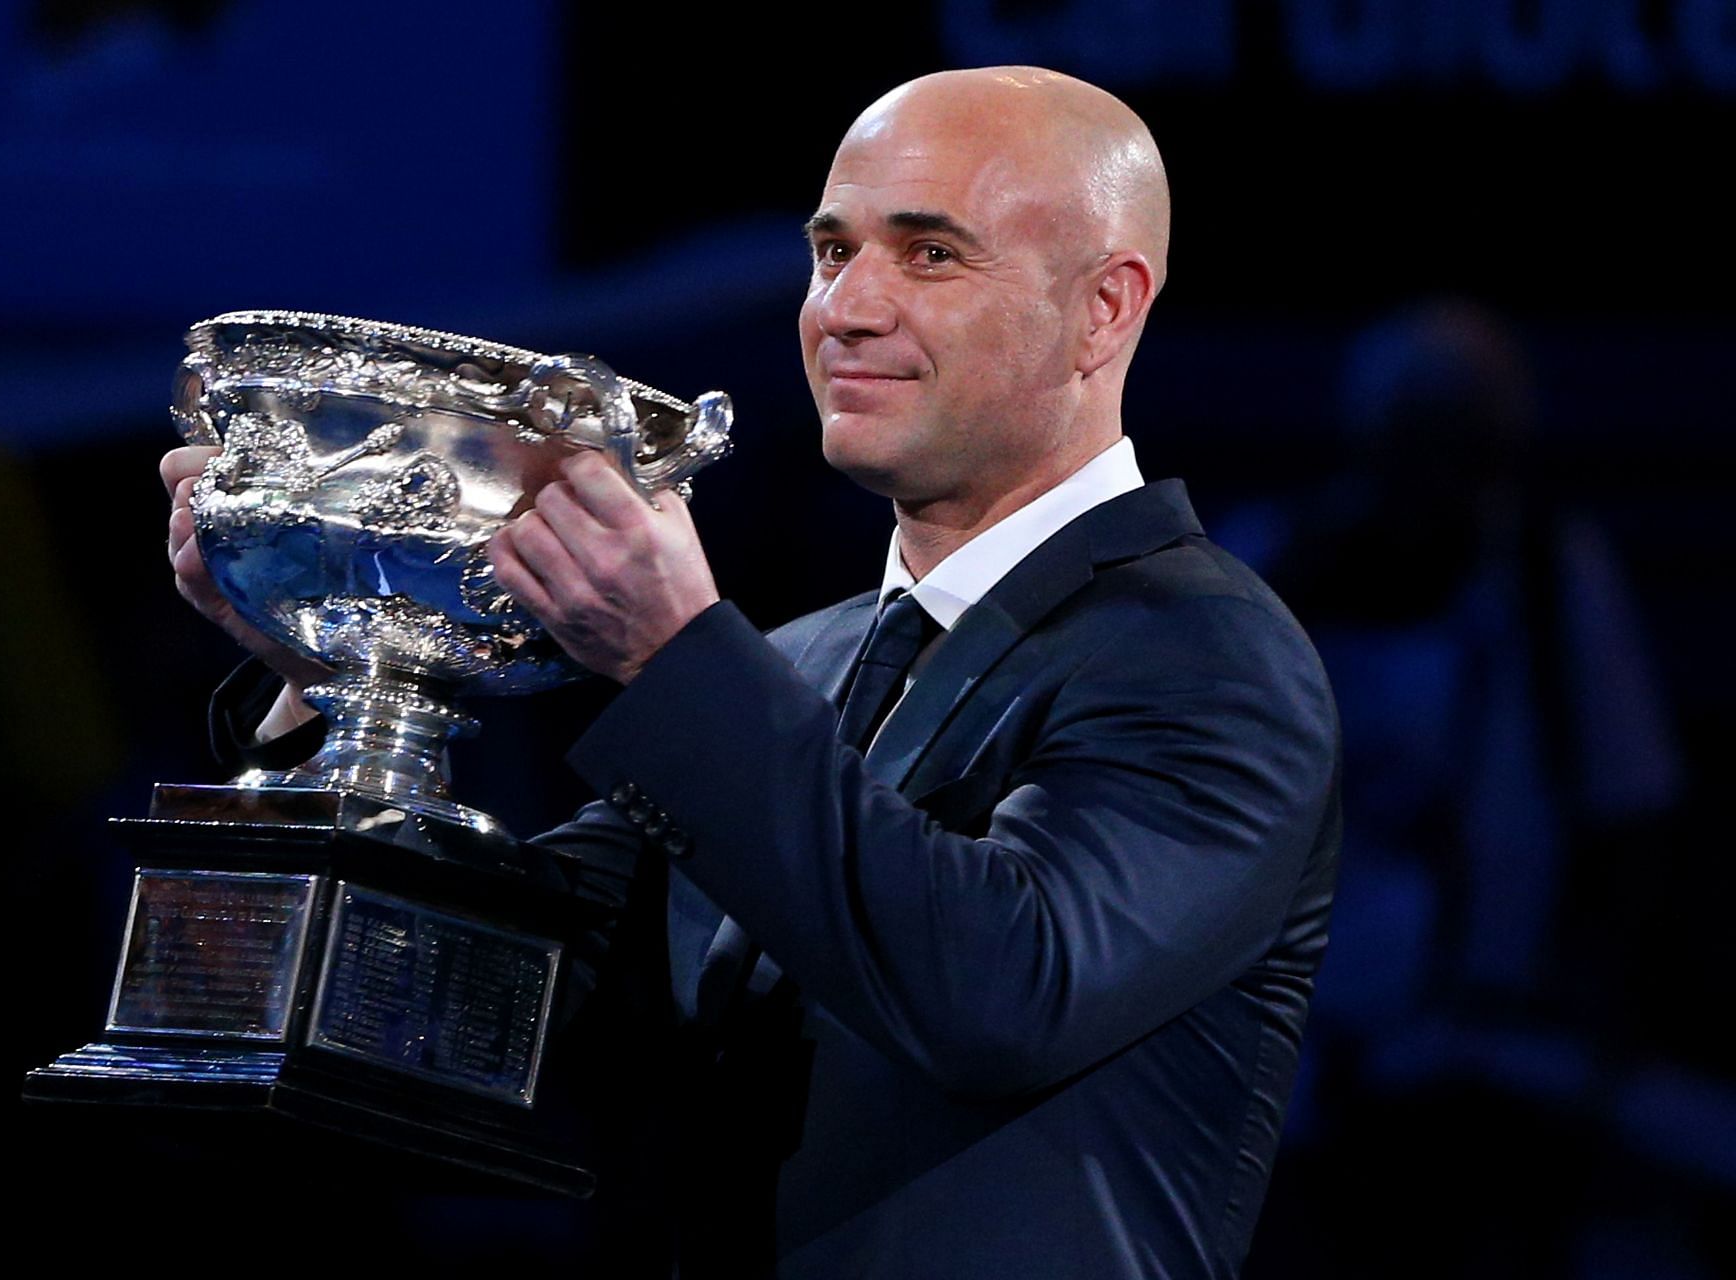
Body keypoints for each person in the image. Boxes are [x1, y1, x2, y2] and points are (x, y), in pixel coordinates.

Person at [165, 67, 1341, 1279]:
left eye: (929, 254)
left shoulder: (1209, 654)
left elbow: (1000, 993)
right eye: (832, 251)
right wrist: (336, 662)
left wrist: (676, 655)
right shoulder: (795, 666)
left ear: (1104, 308)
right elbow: (481, 988)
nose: (847, 306)